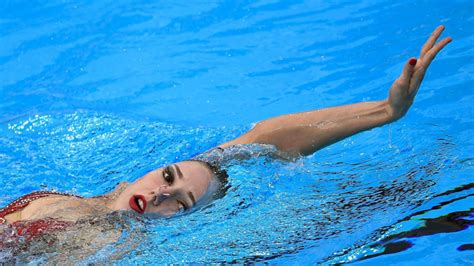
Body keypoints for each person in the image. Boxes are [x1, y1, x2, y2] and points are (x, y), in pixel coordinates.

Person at [0, 25, 451, 244]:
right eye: (169, 178)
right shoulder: (80, 198)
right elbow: (261, 139)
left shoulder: (112, 249)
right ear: (135, 177)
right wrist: (383, 110)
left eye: (180, 205)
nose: (161, 195)